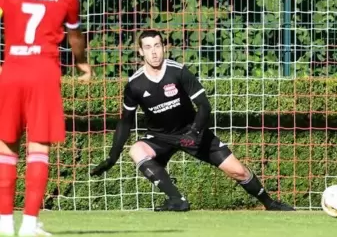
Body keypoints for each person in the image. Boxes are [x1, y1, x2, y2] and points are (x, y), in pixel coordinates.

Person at [90, 29, 294, 212]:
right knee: (137, 150)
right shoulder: (134, 84)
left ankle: (270, 203)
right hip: (160, 137)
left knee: (238, 171)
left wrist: (195, 131)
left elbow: (204, 106)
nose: (154, 52)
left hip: (191, 132)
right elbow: (125, 122)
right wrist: (112, 157)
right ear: (141, 52)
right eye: (148, 47)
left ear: (164, 48)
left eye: (158, 46)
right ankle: (176, 200)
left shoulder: (177, 71)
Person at [0, 0, 91, 236]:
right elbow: (75, 37)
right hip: (43, 72)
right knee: (38, 147)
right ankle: (28, 225)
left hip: (12, 69)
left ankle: (2, 224)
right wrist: (82, 64)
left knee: (6, 147)